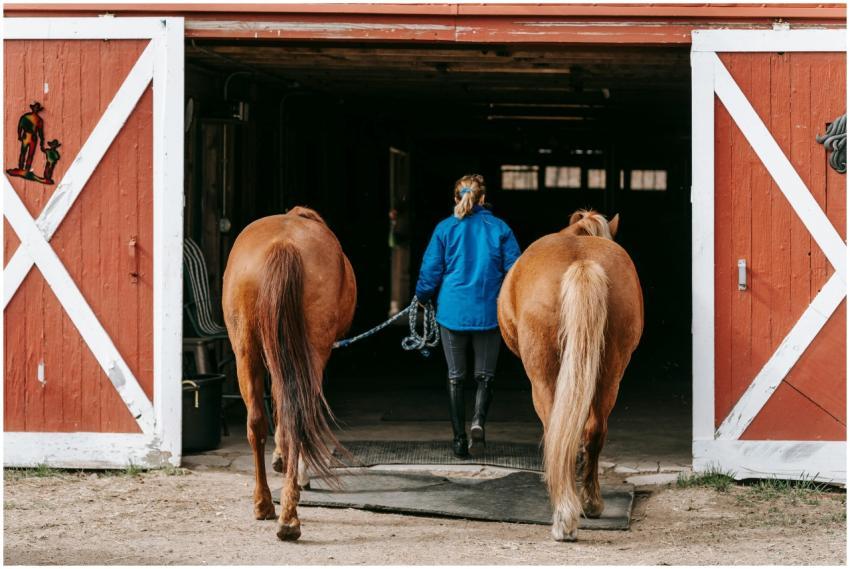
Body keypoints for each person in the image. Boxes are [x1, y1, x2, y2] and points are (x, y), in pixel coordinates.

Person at [414, 174, 521, 458]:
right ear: (483, 198)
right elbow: (516, 271)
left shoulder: (444, 229)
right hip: (488, 311)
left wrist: (422, 296)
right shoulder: (500, 229)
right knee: (485, 376)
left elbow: (431, 271)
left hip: (452, 311)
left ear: (455, 198)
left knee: (455, 377)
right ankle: (478, 423)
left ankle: (459, 440)